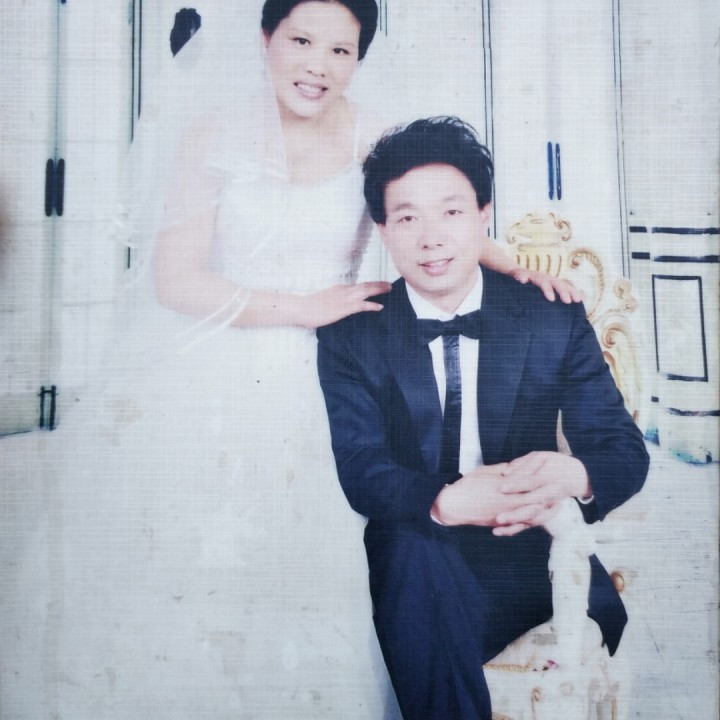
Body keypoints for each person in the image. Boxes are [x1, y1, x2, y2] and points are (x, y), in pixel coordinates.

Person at [33, 3, 580, 719]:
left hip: (341, 365)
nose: (318, 66)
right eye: (300, 41)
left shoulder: (373, 135)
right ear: (265, 39)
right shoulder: (210, 134)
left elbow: (438, 216)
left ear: (359, 60)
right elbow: (175, 280)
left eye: (341, 51)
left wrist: (517, 268)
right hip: (216, 359)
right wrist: (303, 307)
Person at [317, 116, 650, 720]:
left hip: (530, 558)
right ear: (383, 231)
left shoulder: (550, 316)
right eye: (407, 219)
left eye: (450, 212)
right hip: (419, 556)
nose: (431, 238)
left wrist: (572, 475)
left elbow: (623, 452)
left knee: (420, 611)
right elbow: (362, 468)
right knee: (410, 551)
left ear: (483, 215)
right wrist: (445, 502)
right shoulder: (352, 335)